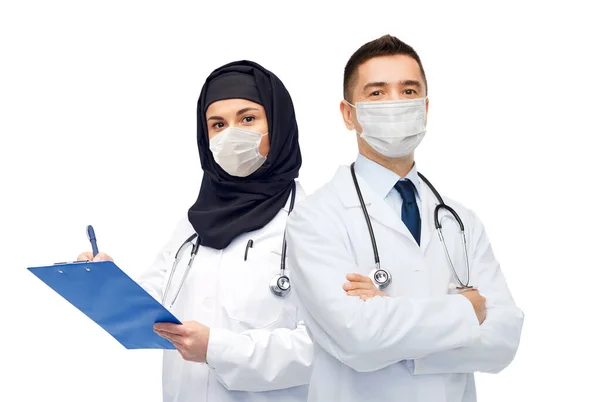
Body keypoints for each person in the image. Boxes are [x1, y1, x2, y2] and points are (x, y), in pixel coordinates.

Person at [285, 35, 524, 402]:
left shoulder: (460, 220)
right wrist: (465, 310)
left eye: (409, 91)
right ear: (349, 114)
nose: (395, 102)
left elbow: (504, 339)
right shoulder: (315, 218)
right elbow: (358, 337)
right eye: (377, 93)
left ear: (425, 108)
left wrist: (388, 317)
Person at [78, 60, 313, 402]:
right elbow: (156, 305)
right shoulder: (194, 224)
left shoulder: (313, 225)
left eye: (247, 119)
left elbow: (323, 347)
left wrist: (218, 349)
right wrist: (106, 283)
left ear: (278, 126)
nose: (231, 134)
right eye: (217, 124)